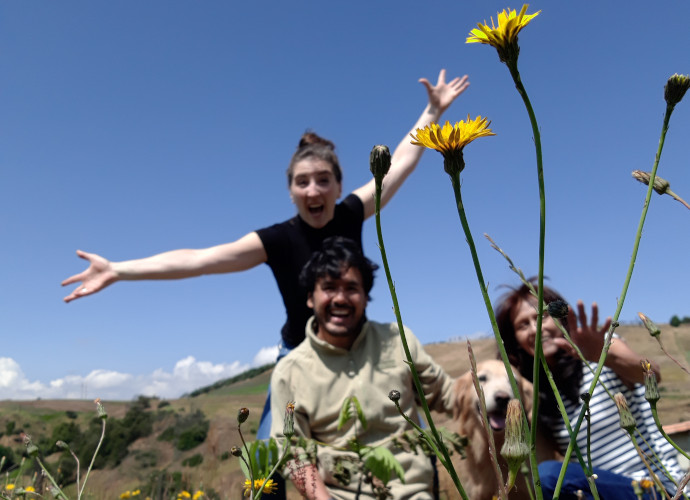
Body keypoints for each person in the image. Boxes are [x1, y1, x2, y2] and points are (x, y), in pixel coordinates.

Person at [61, 69, 468, 347]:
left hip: (357, 346)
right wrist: (118, 270)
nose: (314, 189)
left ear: (339, 184)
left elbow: (400, 162)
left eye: (323, 180)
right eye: (302, 181)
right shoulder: (276, 240)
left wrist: (432, 112)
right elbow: (199, 260)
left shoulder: (351, 211)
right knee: (269, 460)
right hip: (298, 352)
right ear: (290, 191)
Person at [269, 236, 455, 500]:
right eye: (329, 287)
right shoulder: (289, 372)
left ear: (366, 297)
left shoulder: (398, 340)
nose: (341, 298)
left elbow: (447, 395)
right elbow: (293, 453)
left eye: (351, 288)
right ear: (310, 297)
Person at [495, 282, 686, 500]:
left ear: (559, 316)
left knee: (548, 476)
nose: (535, 328)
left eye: (542, 316)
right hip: (595, 493)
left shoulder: (601, 348)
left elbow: (652, 373)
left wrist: (603, 355)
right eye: (523, 325)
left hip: (657, 488)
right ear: (515, 341)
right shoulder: (539, 393)